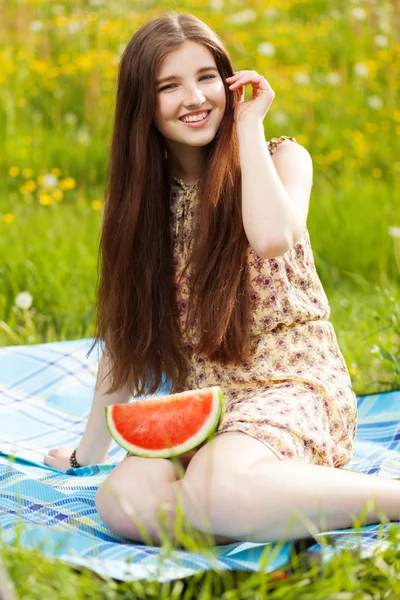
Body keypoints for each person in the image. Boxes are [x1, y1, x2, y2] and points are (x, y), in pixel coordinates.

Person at [44, 11, 400, 548]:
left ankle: (380, 498)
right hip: (205, 405)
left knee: (217, 487)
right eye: (169, 85)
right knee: (122, 506)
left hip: (291, 387)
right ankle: (244, 506)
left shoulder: (281, 157)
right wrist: (85, 454)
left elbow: (274, 237)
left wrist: (248, 127)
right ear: (143, 104)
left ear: (229, 81)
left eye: (206, 77)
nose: (195, 98)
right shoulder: (139, 210)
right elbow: (124, 339)